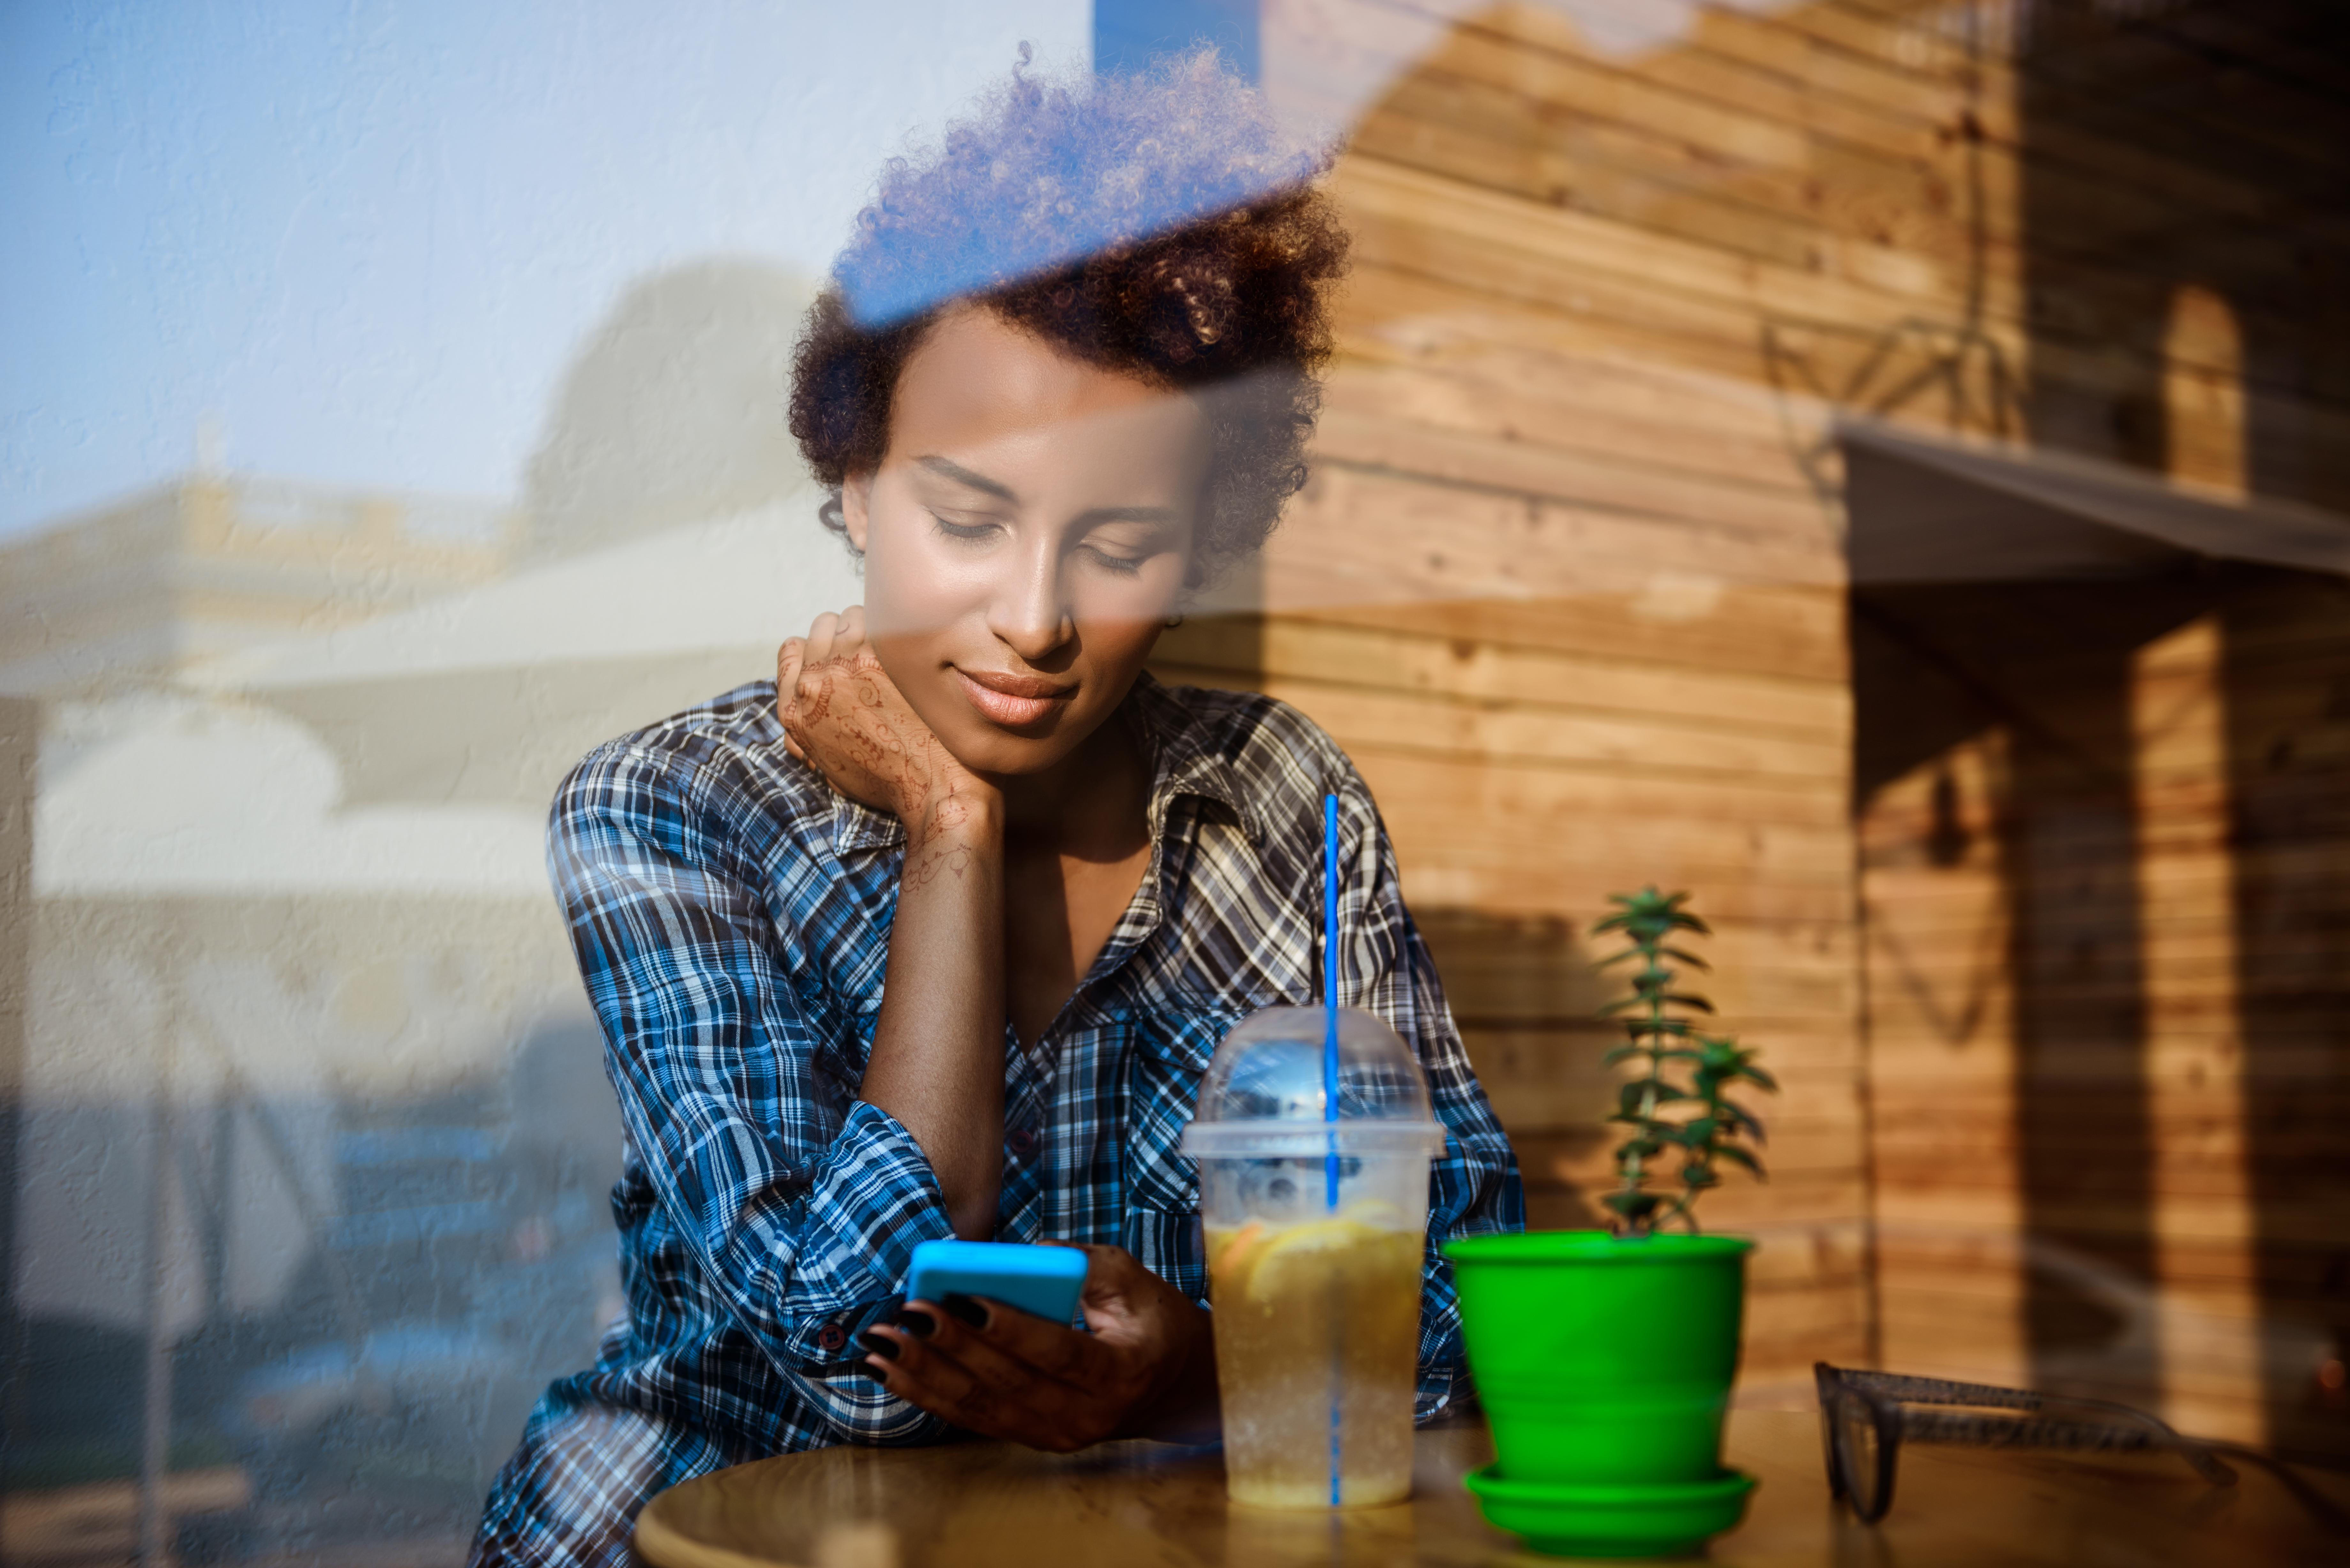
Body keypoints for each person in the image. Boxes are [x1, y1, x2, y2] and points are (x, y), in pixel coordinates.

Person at [470, 50, 1521, 1567]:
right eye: (967, 519)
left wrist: (1198, 1365)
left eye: (1119, 540)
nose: (1032, 619)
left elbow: (1468, 1307)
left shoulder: (1285, 805)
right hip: (681, 1540)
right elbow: (854, 1359)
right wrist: (949, 833)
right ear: (853, 485)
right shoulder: (667, 812)